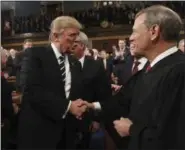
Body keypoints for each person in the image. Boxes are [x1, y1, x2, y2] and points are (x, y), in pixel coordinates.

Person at [83, 5, 185, 149]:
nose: (130, 38)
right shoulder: (150, 69)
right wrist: (92, 106)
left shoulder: (179, 72)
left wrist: (132, 130)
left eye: (134, 32)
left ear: (154, 32)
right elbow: (123, 101)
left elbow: (175, 135)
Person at [17, 16, 87, 149]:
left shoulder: (75, 64)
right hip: (39, 134)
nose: (76, 39)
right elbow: (32, 91)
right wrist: (68, 107)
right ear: (56, 36)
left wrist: (80, 107)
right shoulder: (34, 55)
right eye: (72, 35)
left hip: (67, 136)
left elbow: (75, 93)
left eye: (77, 35)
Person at [72, 31, 112, 149]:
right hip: (66, 119)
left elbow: (103, 94)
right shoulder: (64, 64)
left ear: (82, 45)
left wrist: (97, 119)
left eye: (74, 43)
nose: (69, 46)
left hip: (87, 119)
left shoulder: (96, 65)